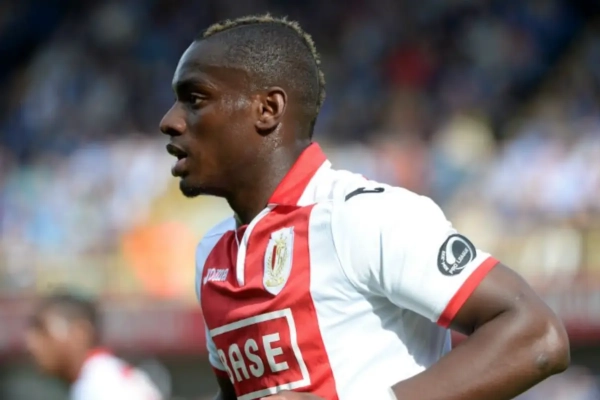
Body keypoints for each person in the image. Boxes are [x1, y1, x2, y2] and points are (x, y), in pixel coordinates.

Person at [159, 14, 570, 400]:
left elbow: (537, 335)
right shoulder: (212, 253)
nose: (169, 121)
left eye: (195, 99)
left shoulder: (361, 217)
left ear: (267, 110)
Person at [25, 291, 163, 400]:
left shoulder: (101, 385)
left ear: (79, 333)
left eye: (43, 331)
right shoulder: (100, 376)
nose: (31, 343)